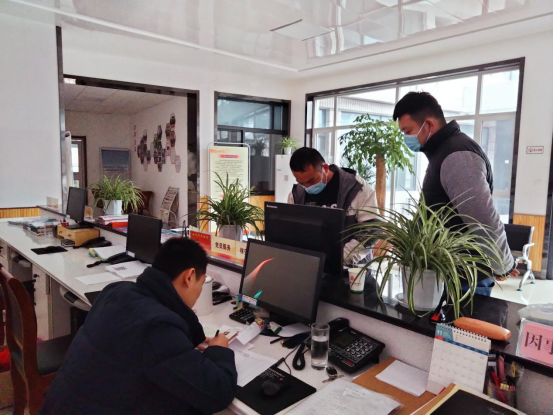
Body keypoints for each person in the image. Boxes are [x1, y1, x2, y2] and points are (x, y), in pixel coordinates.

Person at [40, 238, 237, 415]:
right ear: (190, 276)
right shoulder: (158, 328)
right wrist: (219, 350)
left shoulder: (116, 291)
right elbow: (218, 393)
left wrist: (186, 341)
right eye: (201, 284)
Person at [393, 91, 518, 295]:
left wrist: (502, 264)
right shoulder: (443, 151)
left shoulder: (457, 155)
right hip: (449, 272)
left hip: (464, 278)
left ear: (428, 124)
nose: (406, 138)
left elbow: (482, 218)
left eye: (408, 131)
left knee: (465, 318)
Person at [288, 147, 380, 265]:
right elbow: (293, 231)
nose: (307, 187)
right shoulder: (297, 194)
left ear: (325, 168)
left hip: (352, 267)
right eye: (301, 183)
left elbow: (372, 230)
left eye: (311, 181)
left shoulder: (357, 188)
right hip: (312, 266)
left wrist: (340, 258)